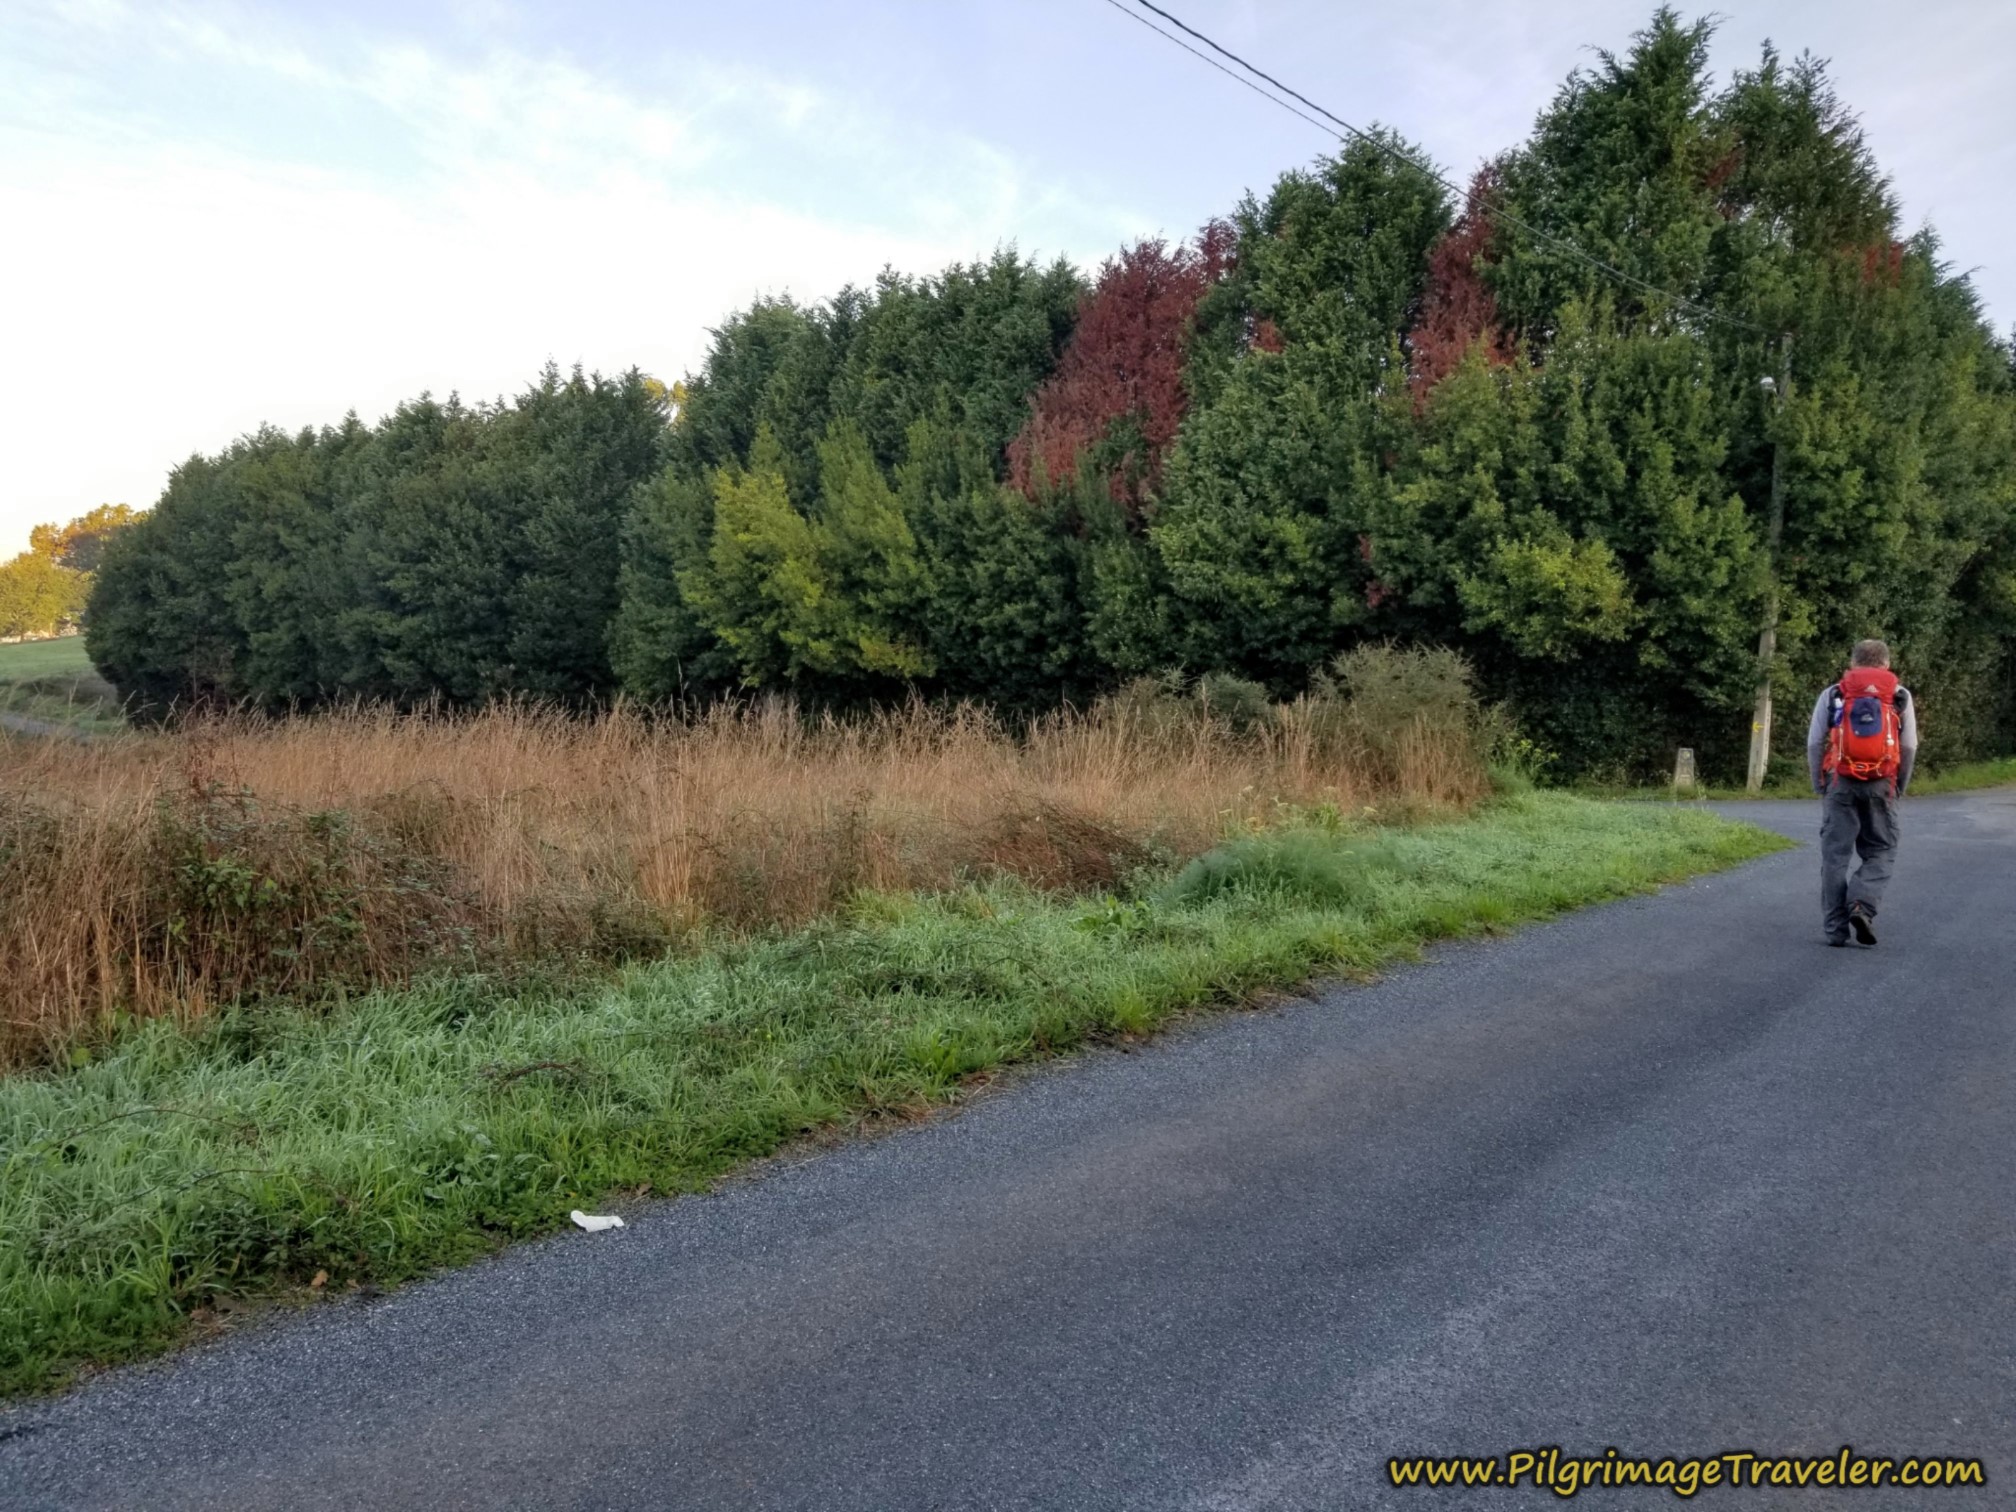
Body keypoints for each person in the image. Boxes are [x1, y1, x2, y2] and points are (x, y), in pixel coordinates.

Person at [1807, 639, 1918, 947]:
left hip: (1839, 781)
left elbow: (1815, 742)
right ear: (1886, 664)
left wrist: (1820, 783)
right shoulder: (1899, 696)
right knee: (1882, 850)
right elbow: (1909, 746)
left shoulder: (1834, 694)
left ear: (1854, 662)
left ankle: (1835, 930)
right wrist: (1900, 786)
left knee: (1835, 857)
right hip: (1882, 783)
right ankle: (1861, 903)